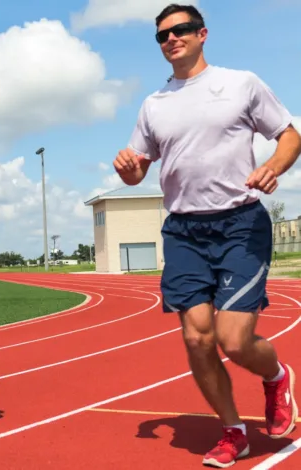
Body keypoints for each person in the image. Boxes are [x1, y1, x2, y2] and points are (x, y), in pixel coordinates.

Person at [113, 4, 301, 468]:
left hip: (239, 222)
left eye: (180, 30)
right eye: (162, 35)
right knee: (197, 340)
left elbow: (290, 136)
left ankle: (276, 377)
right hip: (183, 229)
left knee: (233, 340)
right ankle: (232, 430)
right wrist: (129, 168)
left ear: (202, 34)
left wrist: (273, 167)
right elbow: (139, 171)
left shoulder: (240, 83)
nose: (171, 39)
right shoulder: (154, 104)